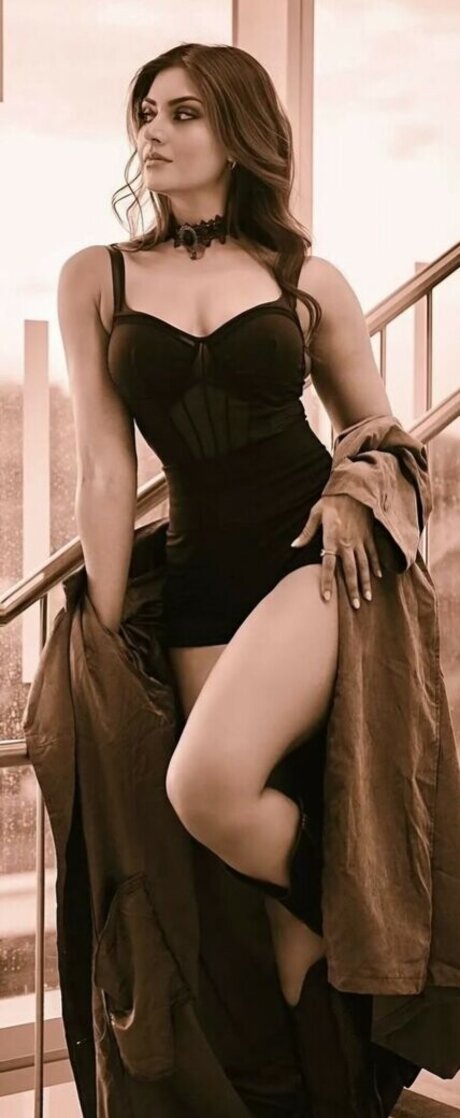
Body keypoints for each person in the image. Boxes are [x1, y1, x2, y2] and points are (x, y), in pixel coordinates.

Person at [57, 42, 393, 1032]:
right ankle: (327, 1067)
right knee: (256, 886)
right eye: (146, 113)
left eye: (183, 113)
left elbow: (377, 431)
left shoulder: (307, 277)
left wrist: (350, 494)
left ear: (237, 134)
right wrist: (109, 640)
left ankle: (391, 920)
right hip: (198, 578)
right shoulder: (97, 276)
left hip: (313, 559)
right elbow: (105, 469)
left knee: (206, 787)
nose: (152, 132)